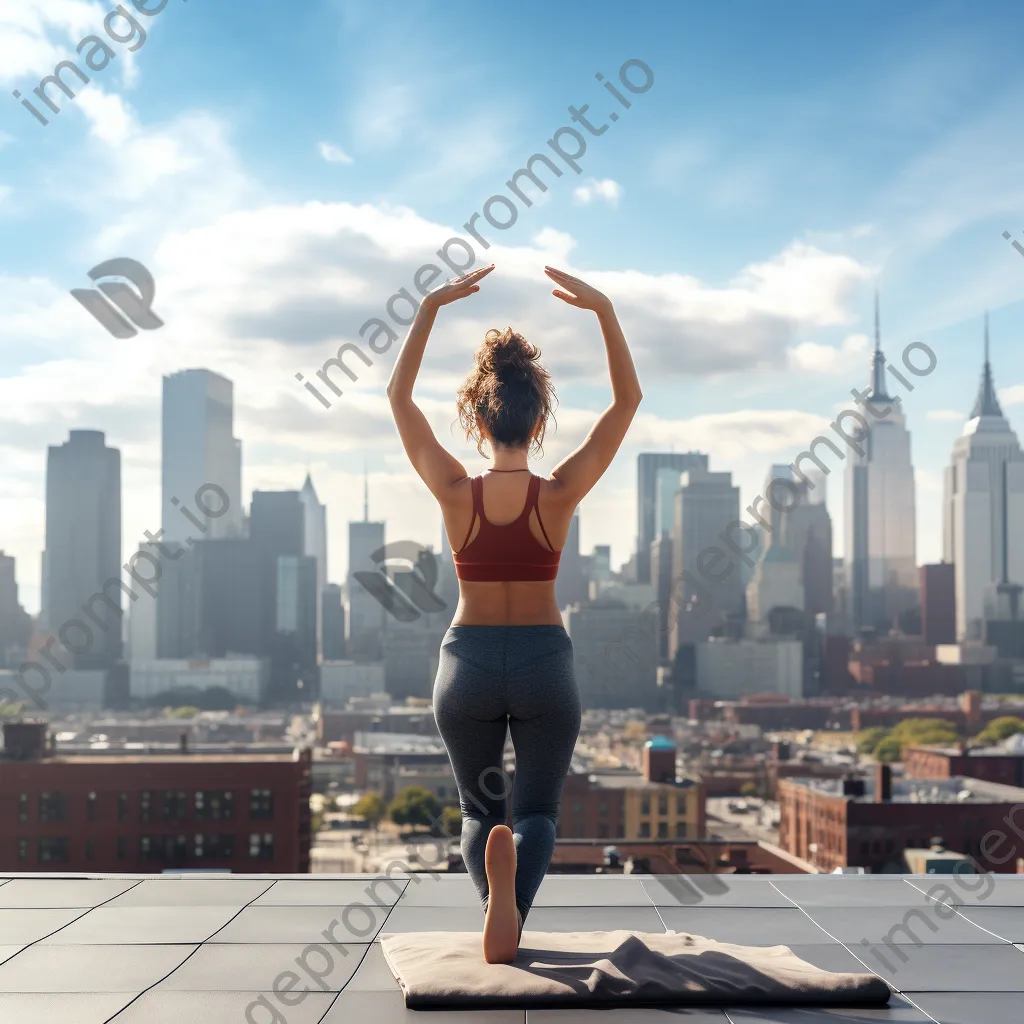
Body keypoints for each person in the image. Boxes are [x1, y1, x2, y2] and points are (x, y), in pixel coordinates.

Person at [386, 263, 642, 963]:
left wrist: (432, 306)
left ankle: (497, 908)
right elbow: (626, 402)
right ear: (540, 418)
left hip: (465, 661)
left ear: (477, 414)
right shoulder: (557, 495)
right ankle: (513, 910)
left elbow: (398, 397)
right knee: (534, 813)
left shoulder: (454, 492)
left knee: (477, 809)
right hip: (542, 661)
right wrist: (605, 310)